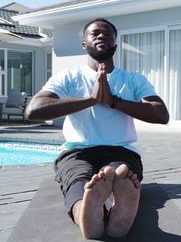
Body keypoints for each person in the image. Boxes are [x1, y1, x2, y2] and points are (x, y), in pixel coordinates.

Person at [25, 18, 169, 239]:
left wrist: (113, 101)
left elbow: (161, 114)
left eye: (107, 33)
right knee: (77, 180)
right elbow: (34, 110)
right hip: (77, 152)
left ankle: (121, 207)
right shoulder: (68, 77)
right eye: (95, 33)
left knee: (120, 171)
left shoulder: (132, 79)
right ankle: (89, 212)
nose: (101, 36)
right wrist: (90, 100)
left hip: (121, 151)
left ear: (115, 44)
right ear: (84, 44)